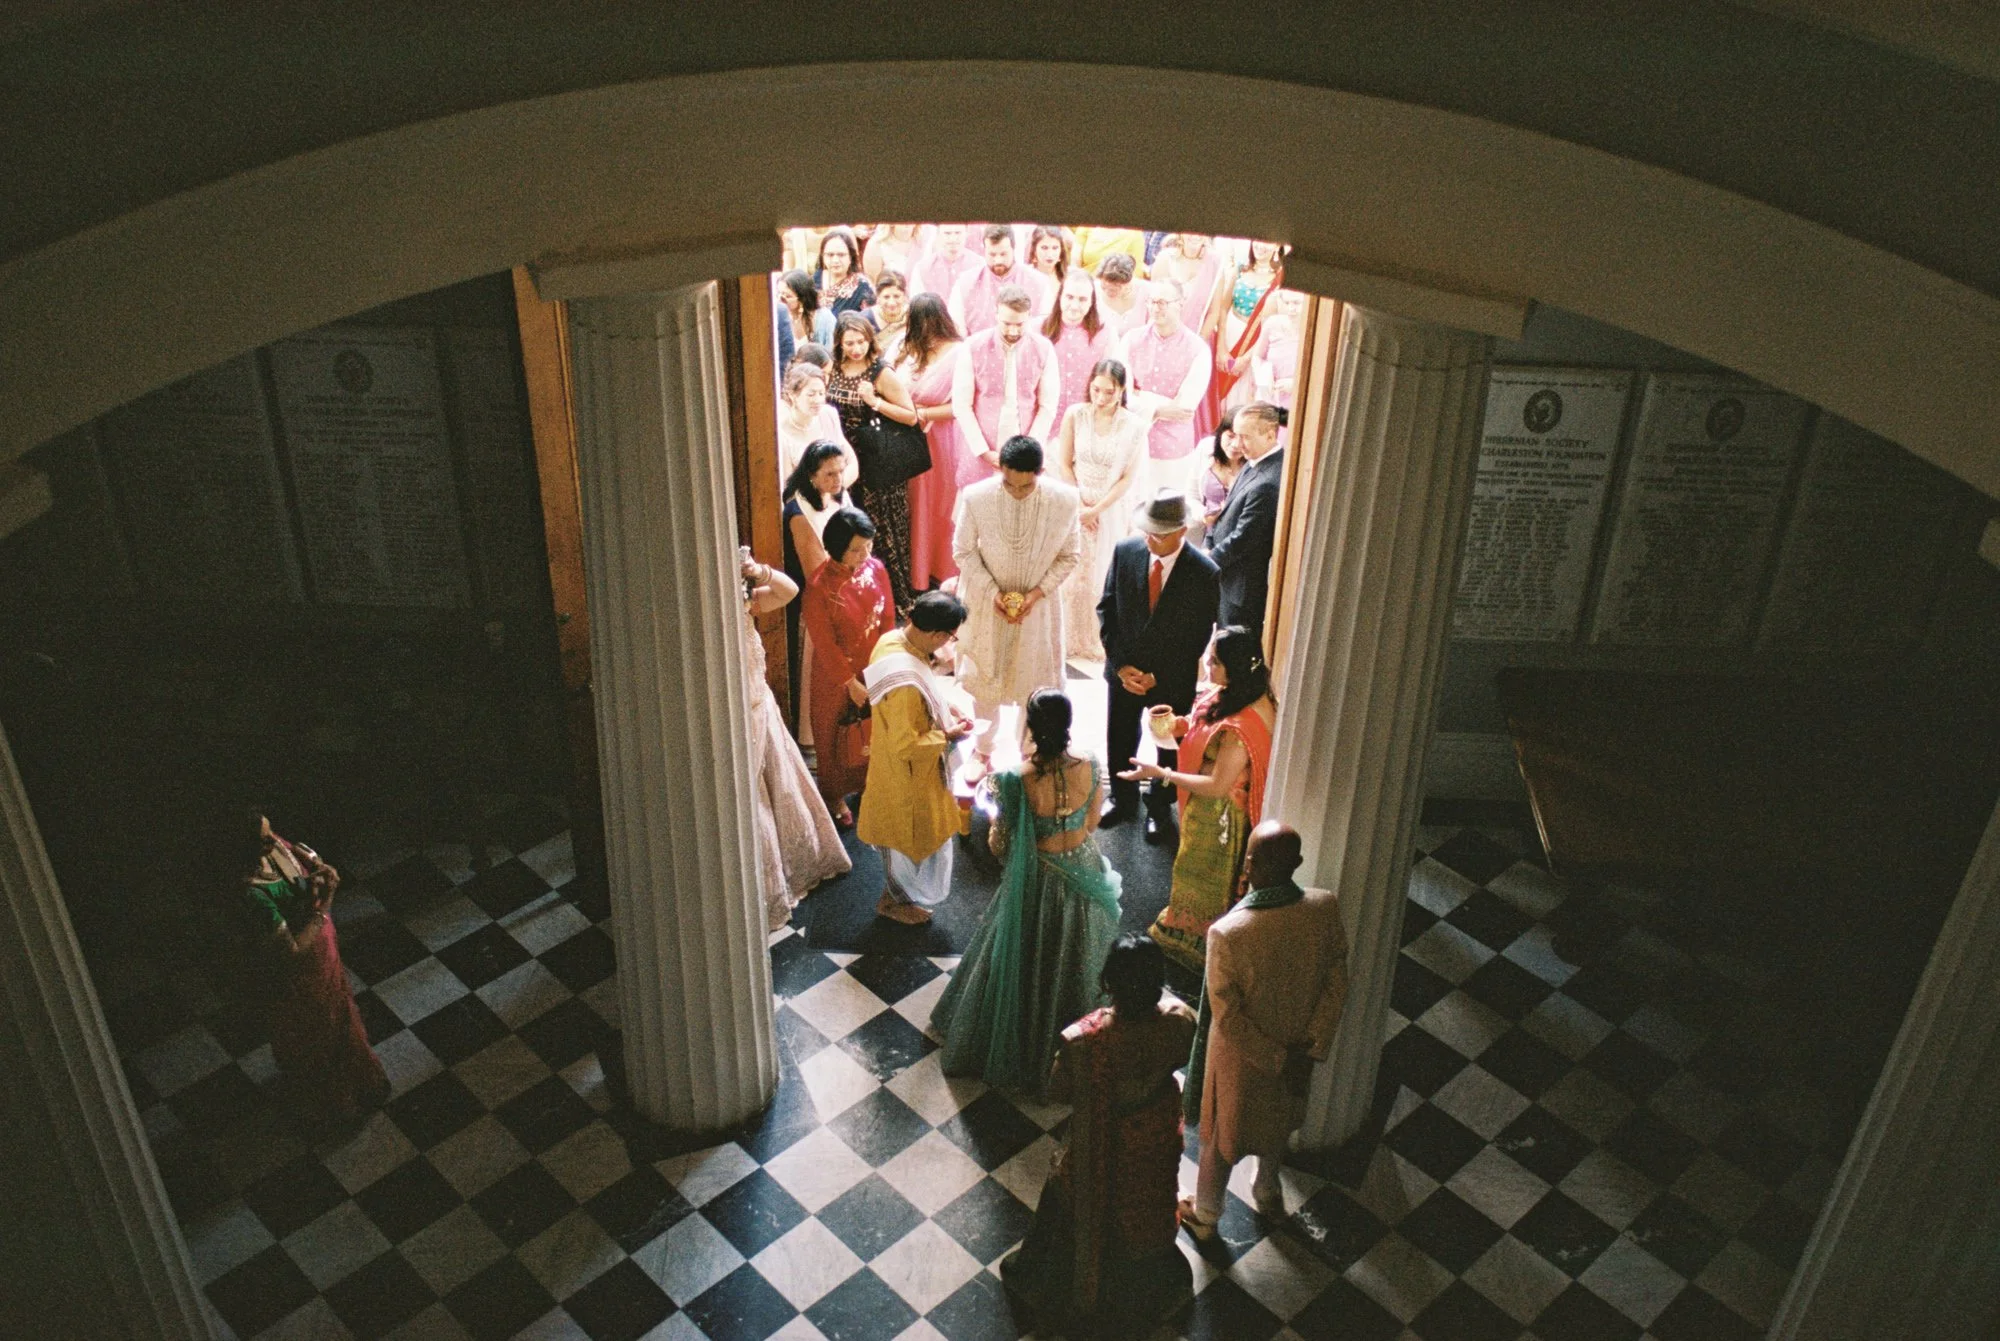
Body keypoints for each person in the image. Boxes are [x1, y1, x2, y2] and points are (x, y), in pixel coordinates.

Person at [998, 936, 1197, 1338]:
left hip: (1103, 1146)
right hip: (1157, 1138)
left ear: (1108, 982)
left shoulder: (1085, 1041)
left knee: (1071, 1197)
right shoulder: (1181, 1020)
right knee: (1149, 1200)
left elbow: (1057, 1093)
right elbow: (1178, 1060)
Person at [931, 689, 1122, 1095]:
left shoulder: (1016, 779)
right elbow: (1091, 822)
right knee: (1075, 957)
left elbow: (1001, 846)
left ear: (1031, 727)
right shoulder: (1091, 763)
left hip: (1038, 880)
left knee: (1025, 959)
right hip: (1082, 868)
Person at [1180, 822, 1348, 1239]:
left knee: (1222, 1138)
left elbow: (1227, 1016)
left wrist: (1276, 1058)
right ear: (1298, 863)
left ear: (1249, 864)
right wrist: (1309, 1048)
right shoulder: (1324, 907)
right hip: (1300, 1052)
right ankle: (1268, 1190)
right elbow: (1337, 981)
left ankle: (1206, 1213)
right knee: (1278, 1125)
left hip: (1242, 1060)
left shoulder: (1229, 932)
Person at [1120, 627, 1275, 969]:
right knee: (1189, 868)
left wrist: (1162, 774)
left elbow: (1219, 785)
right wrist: (1177, 725)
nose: (1206, 663)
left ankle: (1199, 942)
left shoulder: (1240, 729)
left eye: (1215, 661)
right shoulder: (1234, 691)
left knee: (1204, 877)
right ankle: (1185, 927)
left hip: (1218, 816)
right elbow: (1203, 720)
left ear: (1234, 667)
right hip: (1205, 807)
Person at [234, 810, 389, 1121]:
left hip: (322, 954)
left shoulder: (270, 842)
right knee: (319, 1031)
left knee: (340, 1015)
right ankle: (336, 1105)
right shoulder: (252, 896)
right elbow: (289, 952)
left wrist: (319, 867)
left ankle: (361, 1082)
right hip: (300, 973)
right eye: (264, 839)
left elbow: (299, 862)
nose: (273, 840)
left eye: (270, 831)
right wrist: (325, 905)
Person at [952, 435, 1083, 769]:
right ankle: (983, 751)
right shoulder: (976, 496)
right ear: (1001, 469)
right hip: (986, 601)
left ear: (1039, 473)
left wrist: (1035, 595)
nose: (1017, 492)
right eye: (1010, 483)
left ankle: (1029, 753)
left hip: (1038, 607)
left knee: (1035, 683)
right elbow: (963, 550)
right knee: (986, 680)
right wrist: (993, 592)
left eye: (1025, 487)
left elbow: (1070, 556)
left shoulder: (1064, 500)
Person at [1098, 490, 1220, 840]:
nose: (1151, 540)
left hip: (1170, 678)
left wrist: (1157, 676)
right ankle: (1122, 798)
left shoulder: (1204, 572)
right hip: (1125, 672)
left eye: (1160, 534)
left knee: (1167, 745)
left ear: (1182, 531)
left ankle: (1160, 806)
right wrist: (1121, 666)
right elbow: (1107, 609)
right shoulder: (1126, 551)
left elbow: (1198, 636)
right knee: (1120, 735)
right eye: (1147, 531)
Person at [740, 551, 852, 929]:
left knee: (781, 791)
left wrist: (757, 571)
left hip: (760, 708)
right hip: (737, 716)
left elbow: (788, 590)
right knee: (751, 800)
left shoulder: (748, 605)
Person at [857, 591, 974, 925]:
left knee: (906, 840)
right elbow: (907, 744)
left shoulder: (893, 640)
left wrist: (943, 709)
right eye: (950, 637)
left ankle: (895, 899)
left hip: (892, 766)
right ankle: (891, 904)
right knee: (905, 844)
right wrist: (947, 735)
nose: (947, 644)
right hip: (908, 774)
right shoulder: (906, 679)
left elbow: (920, 695)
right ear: (937, 635)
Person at [802, 506, 895, 826]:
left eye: (868, 546)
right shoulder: (819, 586)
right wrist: (851, 683)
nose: (864, 554)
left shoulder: (877, 569)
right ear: (837, 546)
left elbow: (888, 620)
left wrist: (886, 663)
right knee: (835, 735)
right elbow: (824, 643)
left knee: (873, 730)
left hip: (875, 666)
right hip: (836, 677)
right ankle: (833, 795)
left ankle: (868, 784)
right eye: (855, 549)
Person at [828, 312, 920, 614]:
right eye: (849, 343)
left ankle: (896, 599)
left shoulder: (880, 372)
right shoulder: (834, 368)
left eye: (862, 342)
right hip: (845, 458)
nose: (856, 349)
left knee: (884, 530)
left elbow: (910, 415)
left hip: (877, 461)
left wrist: (875, 402)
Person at [1055, 358, 1146, 660]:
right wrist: (1081, 504)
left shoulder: (1132, 425)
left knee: (1102, 573)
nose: (1102, 398)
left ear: (1121, 390)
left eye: (1109, 392)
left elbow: (1127, 479)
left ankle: (1097, 639)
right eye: (1096, 390)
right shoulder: (1075, 415)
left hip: (1111, 506)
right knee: (1070, 572)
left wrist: (1097, 510)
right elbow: (1064, 463)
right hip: (1076, 500)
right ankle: (1066, 638)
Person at [950, 284, 1061, 489]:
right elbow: (961, 405)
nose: (1013, 330)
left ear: (1029, 317)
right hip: (981, 451)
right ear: (996, 314)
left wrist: (1028, 448)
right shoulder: (973, 347)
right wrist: (983, 451)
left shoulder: (1043, 349)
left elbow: (1048, 406)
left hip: (1026, 448)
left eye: (1020, 324)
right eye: (1007, 323)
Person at [1120, 277, 1212, 501]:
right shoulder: (1132, 339)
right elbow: (1121, 395)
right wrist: (1160, 407)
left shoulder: (1198, 349)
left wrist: (1142, 398)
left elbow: (1184, 408)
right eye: (1151, 301)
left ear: (1180, 303)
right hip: (1132, 441)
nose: (1155, 308)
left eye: (1162, 303)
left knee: (1166, 514)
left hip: (1173, 449)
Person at [781, 441, 852, 721]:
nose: (837, 480)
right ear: (812, 475)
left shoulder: (838, 495)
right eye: (829, 475)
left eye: (840, 472)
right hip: (818, 595)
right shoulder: (798, 512)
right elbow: (816, 571)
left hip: (844, 580)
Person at [1203, 401, 1285, 640]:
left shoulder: (1270, 479)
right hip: (1225, 578)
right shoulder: (1253, 462)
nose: (1238, 445)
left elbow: (1245, 537)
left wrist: (1208, 559)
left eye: (1245, 437)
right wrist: (1208, 541)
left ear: (1270, 434)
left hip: (1241, 587)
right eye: (1235, 436)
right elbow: (1225, 514)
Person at [1214, 240, 1286, 414]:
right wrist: (1221, 347)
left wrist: (1247, 358)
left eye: (1267, 242)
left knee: (1242, 395)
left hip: (1256, 342)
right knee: (1219, 390)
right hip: (1229, 334)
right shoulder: (1240, 270)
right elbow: (1223, 307)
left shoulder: (1280, 278)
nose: (1261, 246)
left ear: (1277, 246)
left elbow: (1270, 323)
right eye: (1257, 241)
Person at [1043, 267, 1117, 431]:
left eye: (1082, 299)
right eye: (1069, 297)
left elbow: (1111, 384)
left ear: (1091, 302)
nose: (1074, 306)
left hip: (1086, 426)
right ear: (1060, 297)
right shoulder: (1038, 330)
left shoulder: (1106, 334)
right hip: (1045, 427)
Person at [948, 224, 1052, 337]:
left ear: (1013, 249)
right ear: (984, 251)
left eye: (1003, 254)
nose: (998, 260)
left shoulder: (1039, 283)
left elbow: (1046, 330)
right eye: (992, 254)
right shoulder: (965, 283)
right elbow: (956, 331)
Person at [778, 361, 855, 486]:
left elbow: (851, 461)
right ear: (793, 395)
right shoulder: (782, 434)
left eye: (821, 393)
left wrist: (837, 489)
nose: (818, 400)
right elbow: (787, 486)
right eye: (811, 394)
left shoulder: (828, 415)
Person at [1251, 288, 1304, 409]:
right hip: (1271, 396)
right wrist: (1264, 377)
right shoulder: (1272, 323)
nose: (1291, 308)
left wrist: (1296, 385)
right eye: (1286, 303)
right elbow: (1257, 356)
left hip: (1297, 401)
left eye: (1296, 303)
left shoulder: (1314, 331)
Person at [1193, 413, 1244, 538]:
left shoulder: (1257, 463)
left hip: (1240, 536)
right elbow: (1191, 495)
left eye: (1244, 438)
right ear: (1221, 433)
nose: (1236, 445)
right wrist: (1203, 515)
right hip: (1204, 534)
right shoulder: (1206, 448)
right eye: (1230, 436)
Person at [776, 268, 834, 370]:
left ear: (802, 298)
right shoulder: (779, 318)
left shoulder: (824, 318)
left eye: (787, 297)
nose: (781, 300)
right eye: (778, 295)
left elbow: (831, 354)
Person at [912, 222, 982, 302]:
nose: (953, 239)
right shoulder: (923, 268)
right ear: (938, 234)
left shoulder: (979, 265)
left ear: (966, 233)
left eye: (958, 233)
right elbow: (917, 305)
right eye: (947, 233)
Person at [816, 226, 875, 320]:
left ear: (851, 257)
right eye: (830, 255)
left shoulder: (862, 286)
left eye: (841, 255)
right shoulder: (814, 280)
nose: (835, 260)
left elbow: (869, 321)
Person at [1094, 253, 1146, 339]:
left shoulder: (1146, 292)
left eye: (1113, 289)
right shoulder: (1093, 290)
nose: (1107, 291)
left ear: (1128, 282)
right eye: (1103, 287)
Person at [1072, 226, 1148, 277]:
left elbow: (1135, 274)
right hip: (1084, 283)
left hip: (1113, 288)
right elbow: (1075, 262)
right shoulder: (1086, 226)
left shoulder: (1134, 233)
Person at [1026, 223, 1069, 314]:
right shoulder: (1025, 276)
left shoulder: (1069, 277)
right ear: (1034, 250)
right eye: (1044, 248)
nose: (1050, 254)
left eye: (1055, 248)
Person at [872, 268, 911, 363]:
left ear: (905, 295)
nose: (892, 303)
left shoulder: (913, 316)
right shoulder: (865, 320)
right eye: (886, 297)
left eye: (897, 296)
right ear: (878, 296)